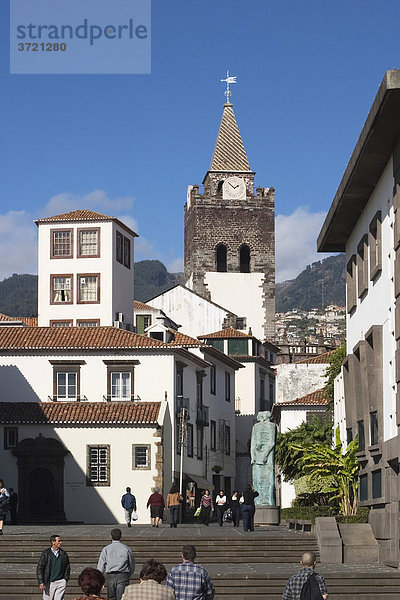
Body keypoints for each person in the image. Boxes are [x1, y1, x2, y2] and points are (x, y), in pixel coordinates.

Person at [97, 528, 135, 600]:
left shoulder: (106, 549)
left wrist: (99, 578)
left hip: (110, 575)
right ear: (120, 536)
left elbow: (101, 565)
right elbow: (131, 564)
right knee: (122, 597)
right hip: (123, 574)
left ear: (110, 537)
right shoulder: (126, 548)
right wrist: (129, 574)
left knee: (111, 597)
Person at [36, 534, 70, 600]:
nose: (61, 542)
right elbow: (40, 567)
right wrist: (41, 582)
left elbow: (67, 567)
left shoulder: (63, 554)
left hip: (60, 581)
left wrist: (65, 580)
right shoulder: (46, 553)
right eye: (59, 541)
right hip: (49, 582)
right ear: (53, 542)